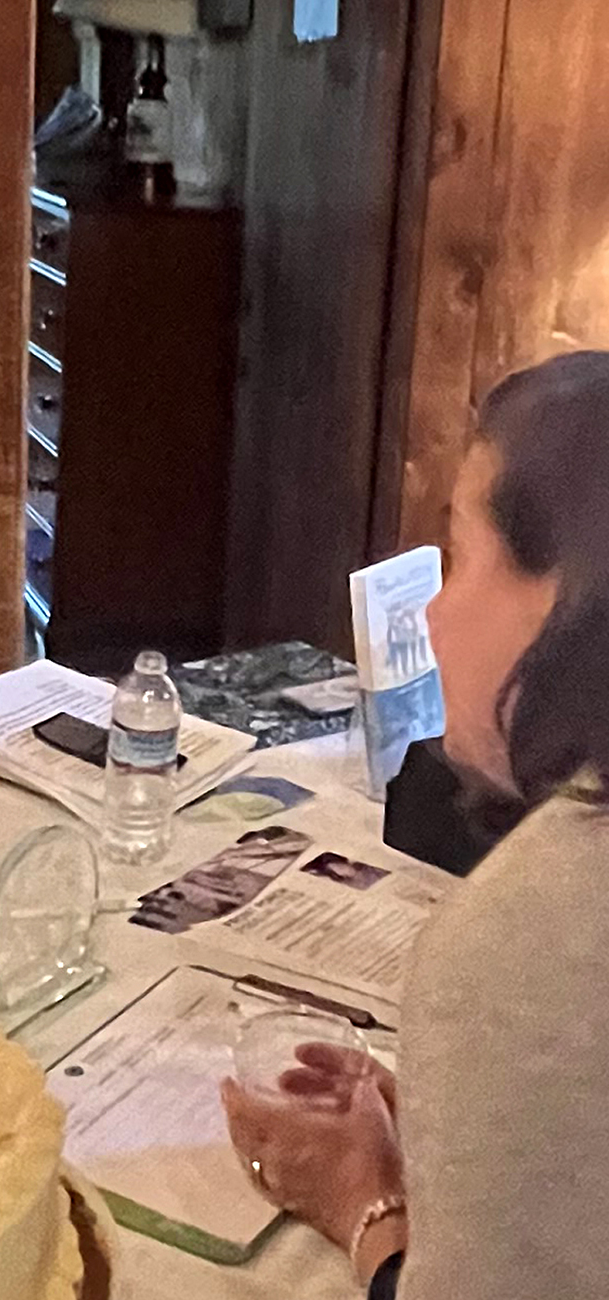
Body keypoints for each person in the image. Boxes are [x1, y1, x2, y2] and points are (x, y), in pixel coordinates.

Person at [221, 351, 609, 1298]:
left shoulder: (541, 931)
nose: (432, 618)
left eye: (462, 559)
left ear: (572, 602)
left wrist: (370, 1207)